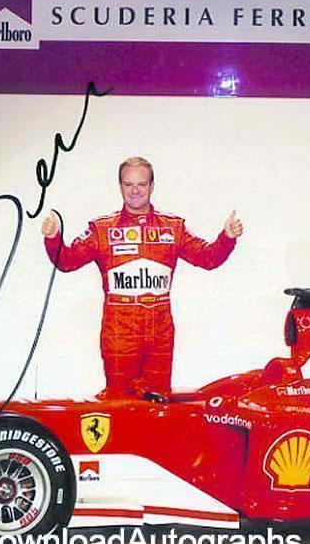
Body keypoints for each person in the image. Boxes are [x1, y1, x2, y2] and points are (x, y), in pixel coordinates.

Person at [42, 157, 243, 399]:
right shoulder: (102, 229)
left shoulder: (172, 227)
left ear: (152, 186)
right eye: (129, 184)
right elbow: (67, 261)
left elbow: (208, 258)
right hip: (120, 330)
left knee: (158, 404)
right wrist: (53, 238)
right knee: (119, 403)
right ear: (120, 186)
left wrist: (227, 237)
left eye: (141, 184)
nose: (135, 190)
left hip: (160, 332)